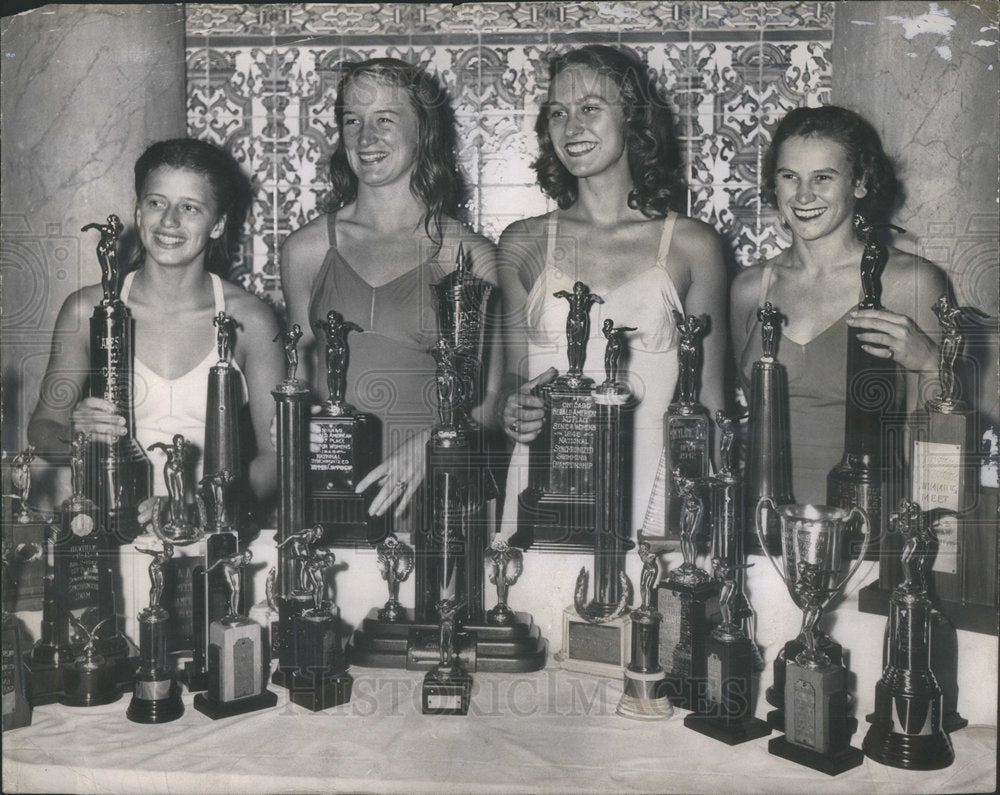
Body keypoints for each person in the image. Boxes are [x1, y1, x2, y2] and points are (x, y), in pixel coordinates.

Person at [498, 45, 727, 536]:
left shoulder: (692, 245)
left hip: (660, 497)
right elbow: (510, 387)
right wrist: (512, 411)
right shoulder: (522, 242)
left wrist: (709, 519)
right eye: (558, 113)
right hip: (549, 492)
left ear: (633, 119)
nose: (571, 126)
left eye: (590, 108)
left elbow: (712, 402)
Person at [279, 58, 501, 532]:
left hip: (436, 498)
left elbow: (491, 400)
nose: (365, 137)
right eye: (352, 121)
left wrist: (432, 444)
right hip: (329, 500)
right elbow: (296, 379)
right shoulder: (306, 250)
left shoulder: (468, 254)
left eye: (385, 119)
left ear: (423, 130)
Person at [27, 138, 284, 513]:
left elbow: (275, 458)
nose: (169, 221)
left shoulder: (251, 320)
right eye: (156, 202)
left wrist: (197, 511)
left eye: (190, 208)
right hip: (108, 533)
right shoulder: (87, 310)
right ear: (137, 211)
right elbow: (42, 428)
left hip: (209, 534)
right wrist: (75, 436)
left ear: (218, 225)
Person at [730, 106, 947, 505]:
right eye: (789, 177)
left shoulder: (909, 282)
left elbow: (935, 446)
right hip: (762, 531)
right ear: (773, 185)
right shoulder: (749, 289)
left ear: (860, 182)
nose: (804, 195)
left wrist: (932, 364)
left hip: (869, 530)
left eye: (823, 178)